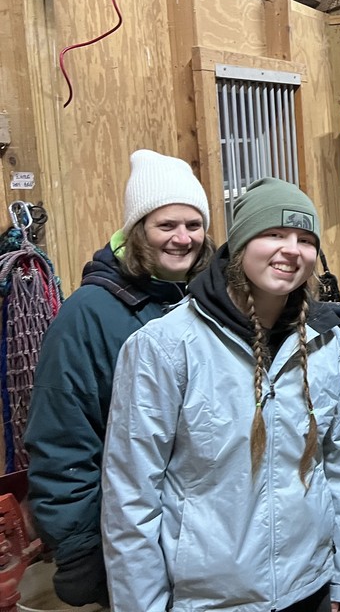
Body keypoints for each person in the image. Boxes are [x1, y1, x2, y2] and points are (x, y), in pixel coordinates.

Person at [101, 177, 340, 612]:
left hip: (310, 584)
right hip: (210, 598)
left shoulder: (324, 340)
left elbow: (336, 459)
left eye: (305, 238)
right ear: (241, 245)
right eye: (274, 234)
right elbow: (132, 493)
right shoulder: (166, 346)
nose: (291, 249)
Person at [25, 149, 214, 608]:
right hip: (128, 541)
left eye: (193, 225)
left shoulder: (209, 304)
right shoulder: (87, 318)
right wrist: (80, 547)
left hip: (204, 540)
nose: (182, 238)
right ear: (137, 231)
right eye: (166, 225)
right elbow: (61, 440)